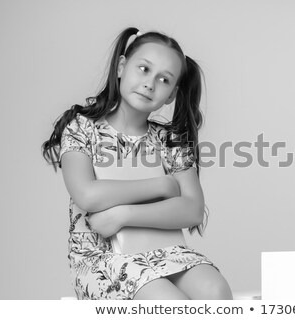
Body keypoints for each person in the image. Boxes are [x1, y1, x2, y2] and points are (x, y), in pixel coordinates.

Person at [41, 27, 233, 300]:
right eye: (143, 69)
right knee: (169, 303)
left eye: (164, 79)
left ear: (171, 95)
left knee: (216, 290)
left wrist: (123, 215)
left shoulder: (169, 140)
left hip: (167, 252)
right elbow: (88, 195)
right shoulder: (82, 128)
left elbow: (192, 210)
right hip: (101, 258)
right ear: (121, 66)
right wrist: (163, 184)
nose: (150, 83)